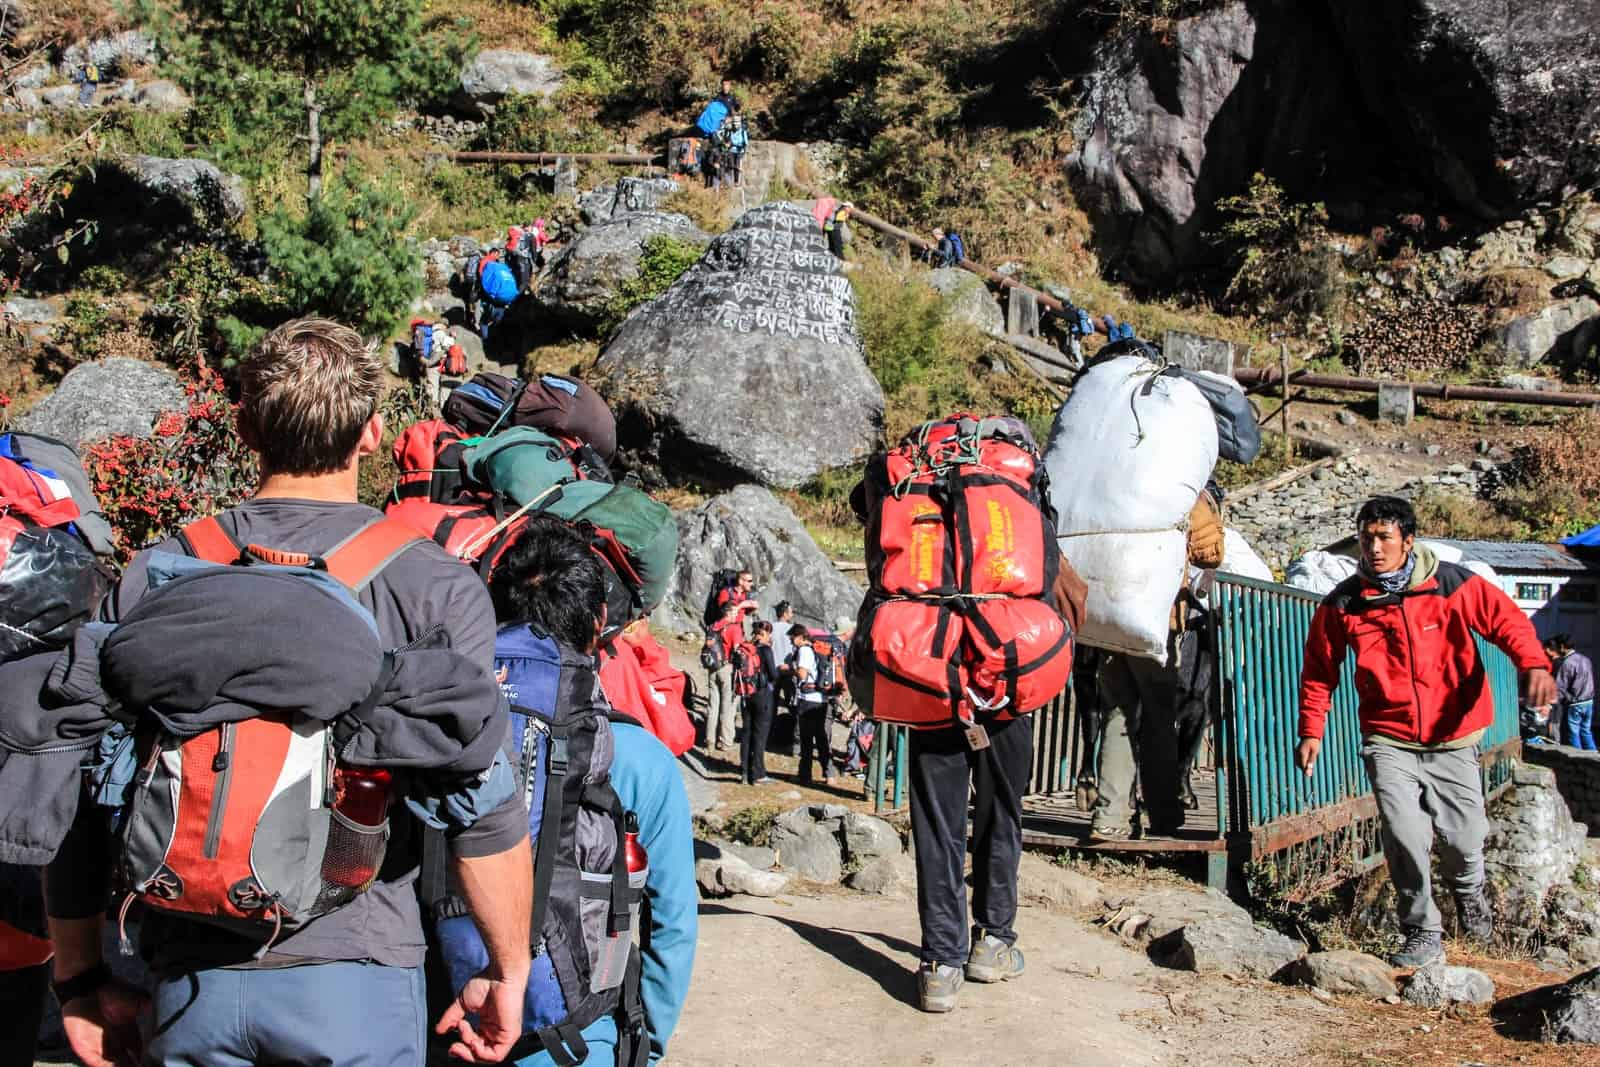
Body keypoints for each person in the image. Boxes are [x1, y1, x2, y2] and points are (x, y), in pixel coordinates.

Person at [44, 318, 533, 1067]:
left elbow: (76, 784)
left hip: (187, 974)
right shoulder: (434, 587)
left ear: (243, 427)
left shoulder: (157, 572)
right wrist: (507, 968)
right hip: (359, 974)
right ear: (372, 433)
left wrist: (76, 979)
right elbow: (480, 800)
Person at [1296, 496, 1555, 967]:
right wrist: (1312, 729)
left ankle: (1469, 892)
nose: (1373, 548)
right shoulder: (1346, 603)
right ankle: (1421, 931)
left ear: (1408, 542)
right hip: (1388, 735)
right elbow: (1319, 670)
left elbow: (1509, 624)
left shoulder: (1453, 586)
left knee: (1463, 839)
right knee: (1404, 832)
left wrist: (1534, 664)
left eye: (1384, 538)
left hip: (1453, 735)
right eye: (1366, 538)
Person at [484, 517, 698, 1066]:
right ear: (600, 622)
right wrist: (643, 1046)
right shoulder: (640, 758)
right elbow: (671, 921)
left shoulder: (447, 727)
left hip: (450, 1021)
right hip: (578, 1038)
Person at [1088, 488, 1225, 842]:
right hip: (1153, 617)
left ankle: (1109, 817)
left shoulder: (1109, 485)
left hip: (1108, 613)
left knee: (1117, 713)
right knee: (1158, 716)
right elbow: (1210, 552)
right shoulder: (1177, 485)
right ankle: (1164, 812)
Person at [788, 623, 835, 785]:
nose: (791, 641)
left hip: (808, 700)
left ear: (800, 637)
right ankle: (829, 774)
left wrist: (789, 668)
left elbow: (802, 674)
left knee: (806, 739)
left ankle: (804, 775)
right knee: (822, 738)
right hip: (821, 699)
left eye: (792, 638)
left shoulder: (804, 650)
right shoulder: (816, 649)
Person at [703, 601, 743, 753]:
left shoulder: (714, 626)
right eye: (734, 612)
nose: (736, 615)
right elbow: (737, 650)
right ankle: (725, 741)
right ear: (728, 613)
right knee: (728, 706)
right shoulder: (734, 628)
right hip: (727, 668)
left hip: (712, 668)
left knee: (713, 705)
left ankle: (709, 740)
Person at [741, 621, 779, 784]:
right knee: (760, 735)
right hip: (762, 695)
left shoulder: (747, 648)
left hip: (746, 693)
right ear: (766, 634)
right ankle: (758, 774)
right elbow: (773, 674)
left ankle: (744, 772)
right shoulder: (765, 650)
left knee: (747, 732)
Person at [1548, 633, 1596, 750]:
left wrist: (1553, 703)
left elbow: (1560, 687)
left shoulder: (1567, 663)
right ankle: (1594, 758)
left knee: (1573, 734)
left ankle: (1578, 760)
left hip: (1575, 704)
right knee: (1586, 732)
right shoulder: (1586, 659)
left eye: (1558, 647)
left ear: (1562, 647)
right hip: (1589, 702)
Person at [721, 115, 748, 187]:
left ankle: (736, 182)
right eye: (734, 123)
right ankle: (729, 181)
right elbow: (725, 138)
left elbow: (745, 142)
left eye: (737, 123)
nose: (735, 124)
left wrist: (735, 143)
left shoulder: (743, 131)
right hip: (731, 150)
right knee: (730, 165)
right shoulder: (730, 131)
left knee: (737, 166)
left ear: (740, 123)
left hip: (739, 151)